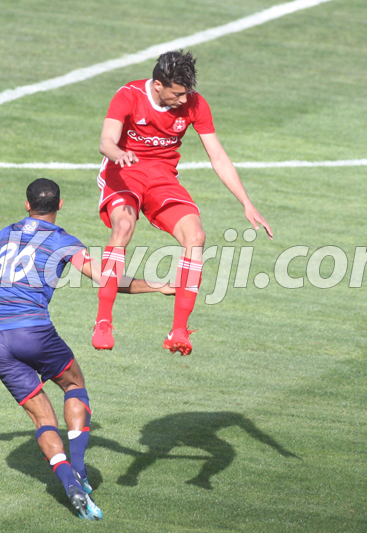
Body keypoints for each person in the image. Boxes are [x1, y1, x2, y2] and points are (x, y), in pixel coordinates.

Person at [0, 178, 172, 520]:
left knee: (42, 418)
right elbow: (106, 279)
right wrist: (158, 286)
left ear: (27, 205)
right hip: (32, 330)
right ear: (60, 205)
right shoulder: (63, 241)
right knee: (73, 383)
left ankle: (67, 483)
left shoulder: (7, 233)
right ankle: (80, 471)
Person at [92, 49, 273, 356]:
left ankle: (178, 330)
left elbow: (218, 156)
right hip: (124, 172)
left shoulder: (195, 103)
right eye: (177, 93)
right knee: (123, 227)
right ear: (158, 85)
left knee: (196, 236)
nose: (183, 99)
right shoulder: (129, 95)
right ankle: (103, 322)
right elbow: (106, 141)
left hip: (162, 178)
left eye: (186, 92)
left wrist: (246, 202)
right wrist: (118, 153)